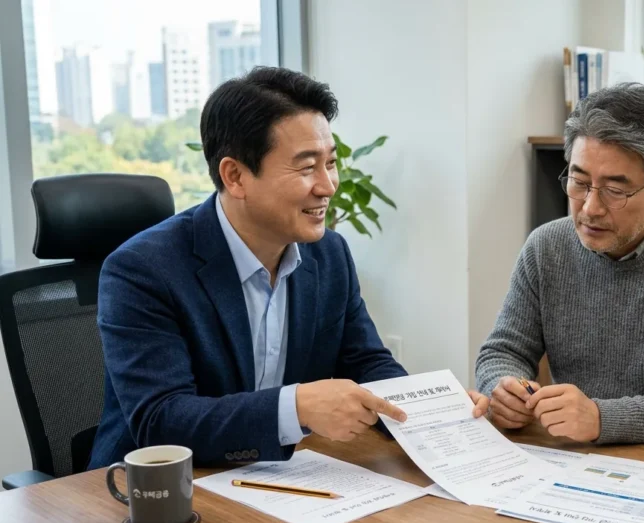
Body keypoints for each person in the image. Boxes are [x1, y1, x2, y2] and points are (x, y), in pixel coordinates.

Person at [89, 67, 488, 469]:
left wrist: (434, 408)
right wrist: (294, 409)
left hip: (280, 480)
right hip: (152, 494)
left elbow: (366, 362)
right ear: (236, 176)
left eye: (330, 163)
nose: (328, 185)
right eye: (306, 167)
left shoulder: (329, 254)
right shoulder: (142, 270)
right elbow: (162, 422)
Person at [473, 83, 644, 444]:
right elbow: (503, 350)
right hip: (566, 454)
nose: (590, 207)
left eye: (615, 190)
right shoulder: (546, 247)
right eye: (579, 181)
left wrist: (603, 418)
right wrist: (503, 388)